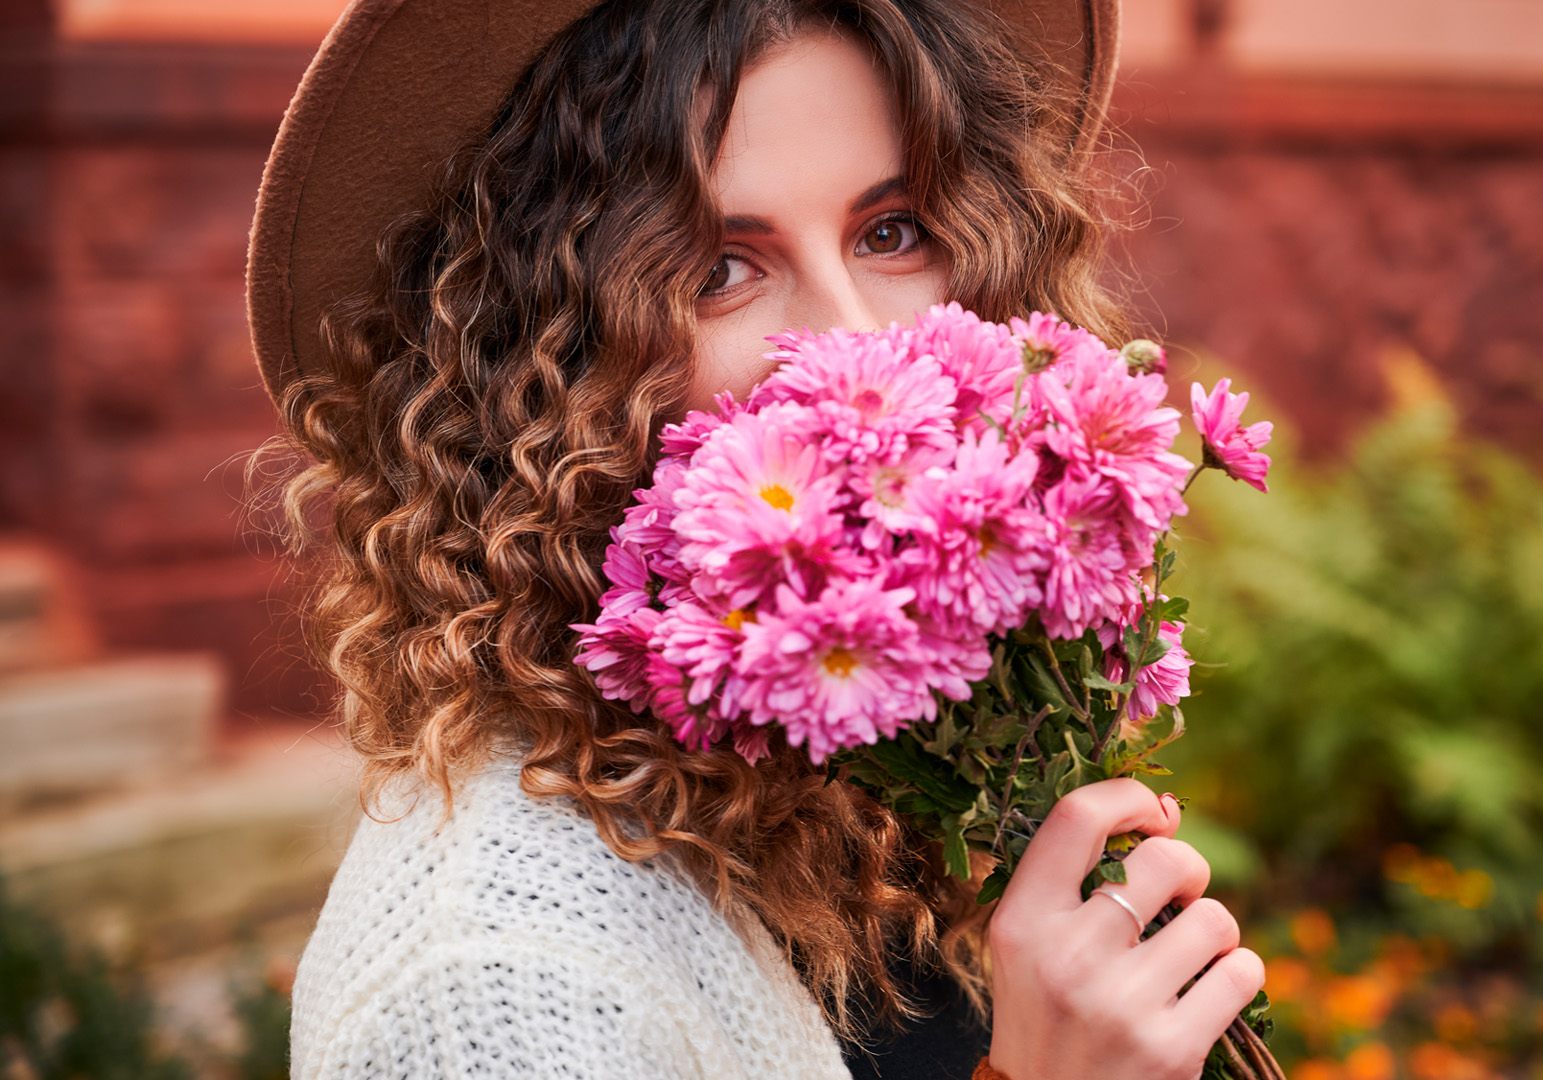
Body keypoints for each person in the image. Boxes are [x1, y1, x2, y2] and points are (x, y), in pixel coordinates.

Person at [244, 1, 1267, 1077]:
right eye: (716, 270)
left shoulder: (874, 761)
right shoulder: (491, 983)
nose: (856, 341)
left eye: (892, 231)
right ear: (535, 363)